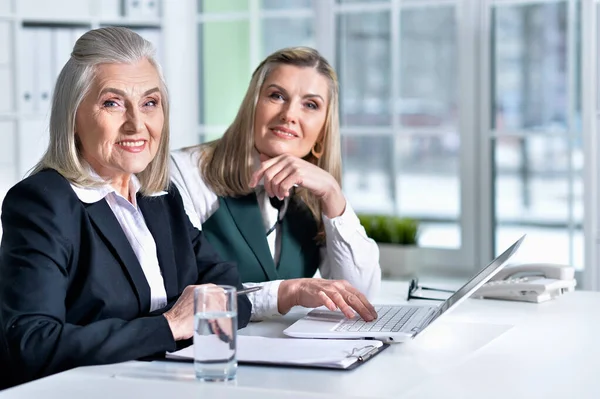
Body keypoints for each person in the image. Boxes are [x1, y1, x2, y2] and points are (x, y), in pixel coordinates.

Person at [0, 27, 250, 389]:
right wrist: (168, 326)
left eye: (150, 103)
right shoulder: (43, 203)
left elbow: (228, 289)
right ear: (73, 116)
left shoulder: (159, 197)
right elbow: (33, 344)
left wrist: (190, 317)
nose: (137, 124)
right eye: (112, 103)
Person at [170, 47, 381, 322]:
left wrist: (332, 193)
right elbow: (183, 297)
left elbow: (360, 296)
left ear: (322, 132)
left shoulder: (315, 193)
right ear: (251, 107)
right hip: (211, 353)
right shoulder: (187, 172)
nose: (289, 114)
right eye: (276, 96)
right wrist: (287, 292)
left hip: (287, 353)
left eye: (311, 105)